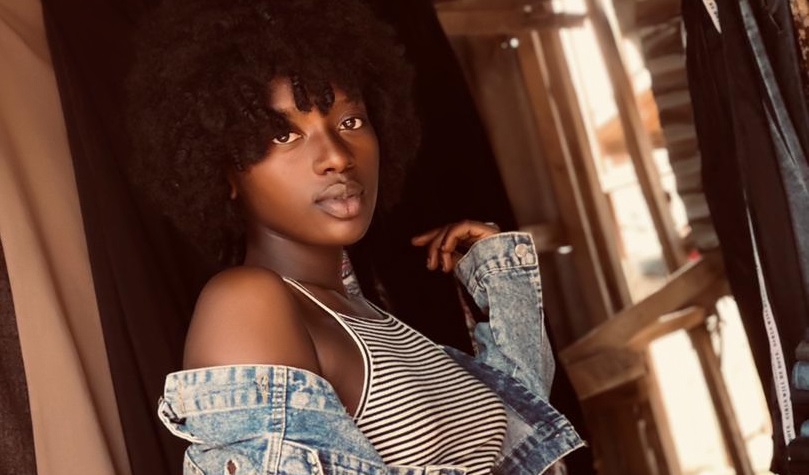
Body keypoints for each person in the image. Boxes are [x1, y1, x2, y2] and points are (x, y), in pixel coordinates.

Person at [125, 0, 584, 473]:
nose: (338, 157)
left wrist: (500, 280)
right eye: (284, 135)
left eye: (350, 122)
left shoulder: (366, 313)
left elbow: (514, 454)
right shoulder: (247, 303)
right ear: (224, 171)